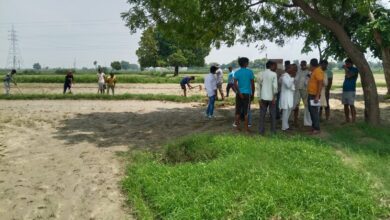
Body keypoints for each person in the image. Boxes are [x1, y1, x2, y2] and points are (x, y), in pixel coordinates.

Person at [234, 57, 255, 132]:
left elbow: (235, 84)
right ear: (245, 63)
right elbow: (252, 84)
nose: (248, 63)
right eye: (248, 62)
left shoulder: (237, 72)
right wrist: (253, 94)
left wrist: (239, 93)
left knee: (238, 111)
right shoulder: (250, 72)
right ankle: (246, 128)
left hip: (239, 94)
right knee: (246, 111)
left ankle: (237, 128)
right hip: (247, 94)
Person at [258, 60, 278, 135]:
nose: (276, 67)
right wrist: (274, 98)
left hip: (262, 97)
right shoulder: (273, 74)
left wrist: (259, 98)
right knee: (273, 114)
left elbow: (258, 87)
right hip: (271, 97)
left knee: (262, 115)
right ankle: (273, 131)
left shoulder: (260, 74)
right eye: (275, 65)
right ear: (271, 66)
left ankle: (261, 131)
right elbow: (275, 87)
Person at [307, 58, 324, 134]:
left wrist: (317, 96)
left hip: (314, 95)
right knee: (311, 111)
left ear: (311, 64)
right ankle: (314, 127)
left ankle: (317, 128)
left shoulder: (318, 71)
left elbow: (320, 83)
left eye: (310, 65)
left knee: (314, 112)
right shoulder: (314, 71)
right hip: (311, 94)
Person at [293, 60, 312, 127]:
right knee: (295, 105)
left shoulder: (309, 72)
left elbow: (309, 81)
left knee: (307, 106)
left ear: (306, 64)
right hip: (297, 90)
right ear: (300, 65)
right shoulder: (298, 71)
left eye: (304, 64)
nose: (303, 66)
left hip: (305, 90)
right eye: (302, 64)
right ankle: (295, 120)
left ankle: (307, 122)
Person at [280, 64, 297, 131]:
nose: (294, 70)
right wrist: (293, 78)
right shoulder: (284, 76)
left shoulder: (289, 76)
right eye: (293, 69)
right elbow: (288, 85)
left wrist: (292, 78)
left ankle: (286, 126)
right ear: (288, 69)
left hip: (289, 97)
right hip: (286, 97)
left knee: (288, 112)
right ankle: (284, 127)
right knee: (285, 113)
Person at [342, 58, 359, 123]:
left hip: (351, 90)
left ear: (351, 64)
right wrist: (346, 69)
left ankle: (353, 120)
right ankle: (347, 119)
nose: (346, 65)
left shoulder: (355, 69)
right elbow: (347, 76)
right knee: (345, 105)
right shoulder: (347, 70)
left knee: (351, 105)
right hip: (345, 90)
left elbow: (350, 75)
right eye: (346, 64)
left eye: (347, 64)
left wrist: (346, 69)